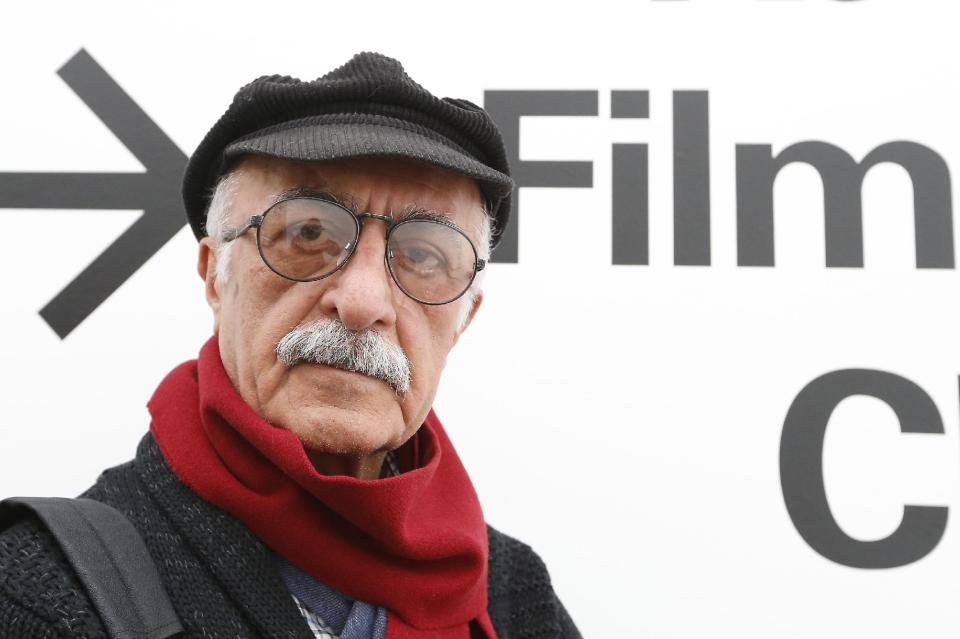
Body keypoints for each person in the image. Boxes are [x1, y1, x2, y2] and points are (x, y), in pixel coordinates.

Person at [0, 52, 580, 638]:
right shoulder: (44, 590)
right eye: (308, 233)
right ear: (214, 274)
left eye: (424, 255)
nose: (362, 302)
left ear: (465, 317)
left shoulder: (515, 599)